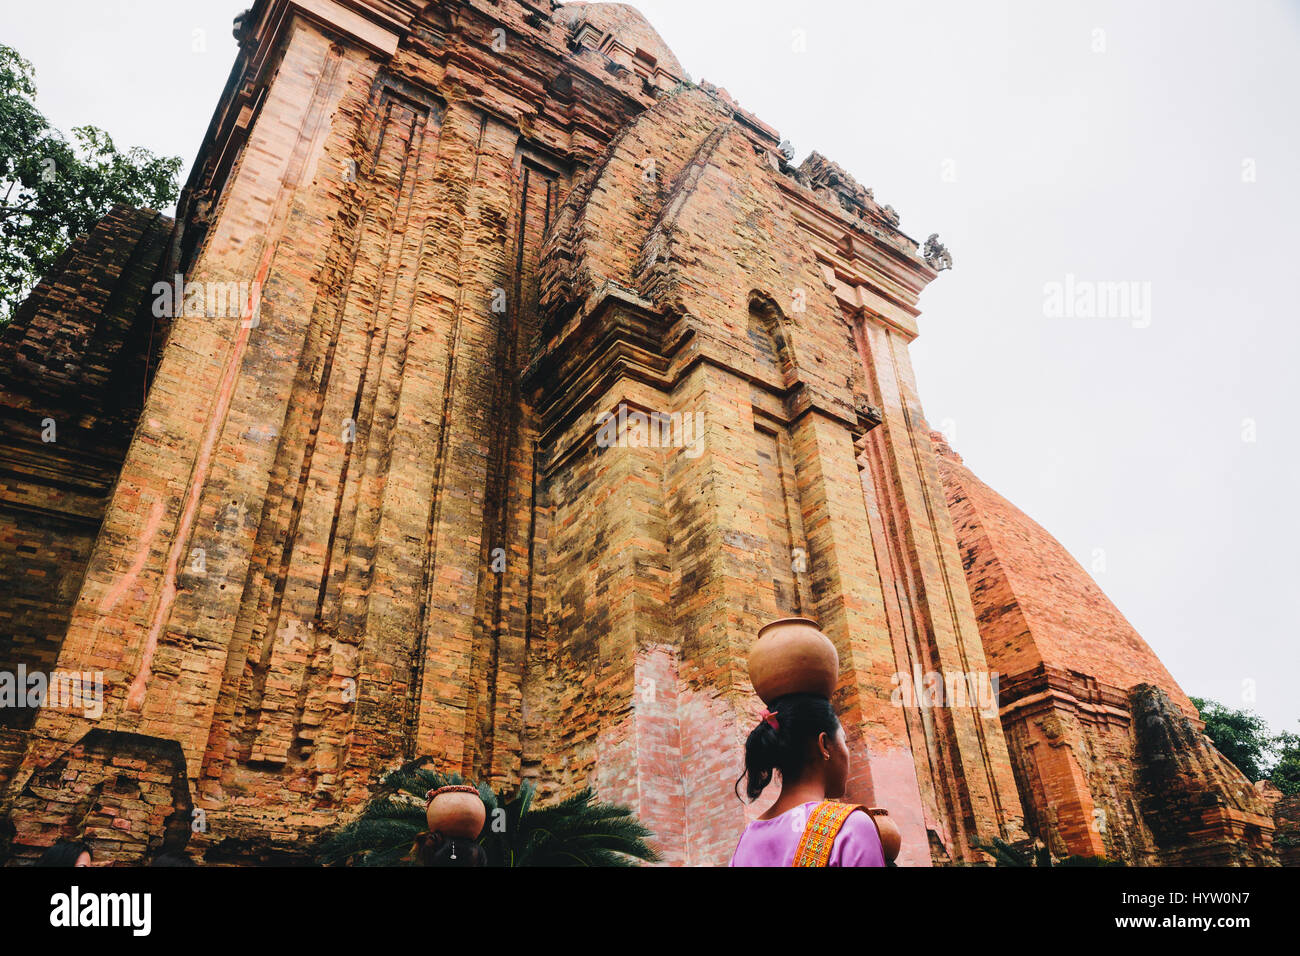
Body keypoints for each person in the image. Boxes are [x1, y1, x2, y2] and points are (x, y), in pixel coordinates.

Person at [730, 692, 885, 867]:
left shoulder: (748, 838)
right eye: (844, 741)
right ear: (824, 744)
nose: (847, 752)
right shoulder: (851, 826)